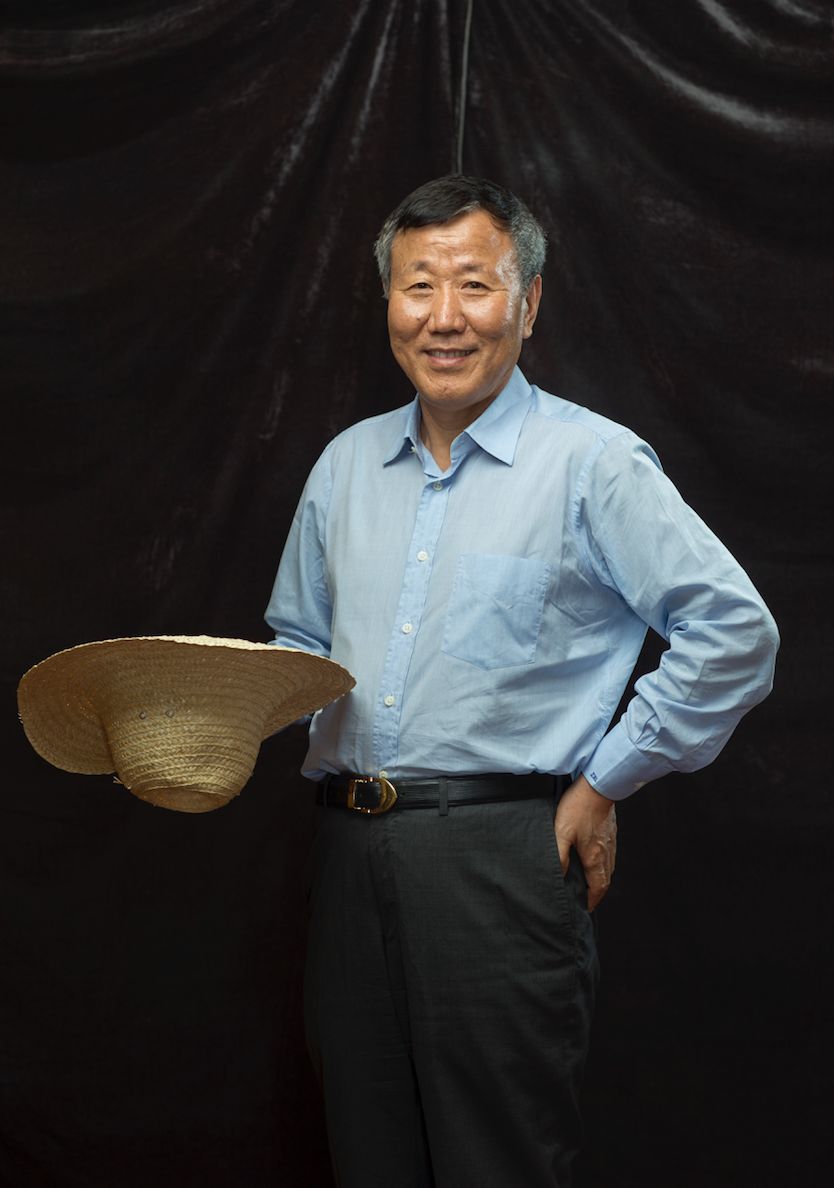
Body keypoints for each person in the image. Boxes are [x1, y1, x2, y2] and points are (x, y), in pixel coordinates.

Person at [265, 175, 779, 1188]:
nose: (444, 317)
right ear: (388, 302)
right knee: (366, 1153)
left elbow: (733, 632)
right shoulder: (344, 467)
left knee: (495, 1161)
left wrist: (604, 782)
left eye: (475, 284)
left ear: (529, 303)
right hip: (345, 855)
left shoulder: (593, 464)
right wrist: (204, 725)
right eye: (418, 285)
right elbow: (297, 647)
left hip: (501, 858)